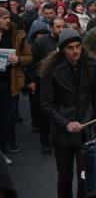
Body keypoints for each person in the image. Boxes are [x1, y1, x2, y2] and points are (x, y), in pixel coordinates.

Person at [40, 28, 96, 198]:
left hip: (86, 130)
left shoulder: (92, 65)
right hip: (62, 131)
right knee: (64, 177)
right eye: (70, 47)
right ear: (62, 49)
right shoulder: (52, 70)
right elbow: (46, 104)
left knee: (85, 175)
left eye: (78, 46)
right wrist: (66, 123)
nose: (75, 51)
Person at [27, 17, 65, 154]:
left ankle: (58, 141)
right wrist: (31, 80)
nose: (61, 30)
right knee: (45, 115)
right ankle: (45, 142)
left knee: (60, 113)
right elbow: (32, 62)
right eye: (58, 27)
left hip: (63, 84)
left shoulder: (67, 42)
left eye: (63, 27)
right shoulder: (41, 43)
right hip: (44, 83)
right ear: (51, 28)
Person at [0, 8, 31, 163]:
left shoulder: (17, 36)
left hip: (11, 83)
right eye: (4, 18)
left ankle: (5, 147)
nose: (7, 21)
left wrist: (18, 60)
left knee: (8, 117)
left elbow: (29, 57)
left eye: (8, 18)